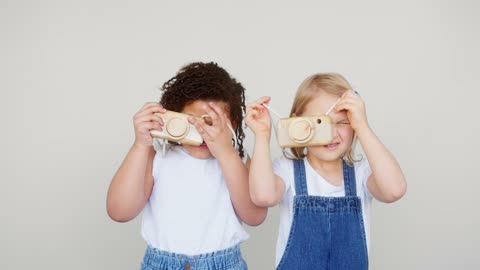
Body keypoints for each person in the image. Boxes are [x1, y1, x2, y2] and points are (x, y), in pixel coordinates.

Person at [107, 62, 267, 270]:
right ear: (172, 118)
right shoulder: (157, 159)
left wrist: (226, 153)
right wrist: (140, 144)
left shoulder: (239, 160)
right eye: (192, 122)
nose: (201, 132)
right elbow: (119, 212)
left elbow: (255, 216)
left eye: (211, 123)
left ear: (233, 124)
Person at [246, 73, 407, 269]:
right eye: (320, 122)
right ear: (298, 124)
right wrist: (262, 136)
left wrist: (363, 126)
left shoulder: (362, 173)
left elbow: (394, 190)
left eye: (342, 122)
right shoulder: (287, 170)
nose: (331, 133)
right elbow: (263, 197)